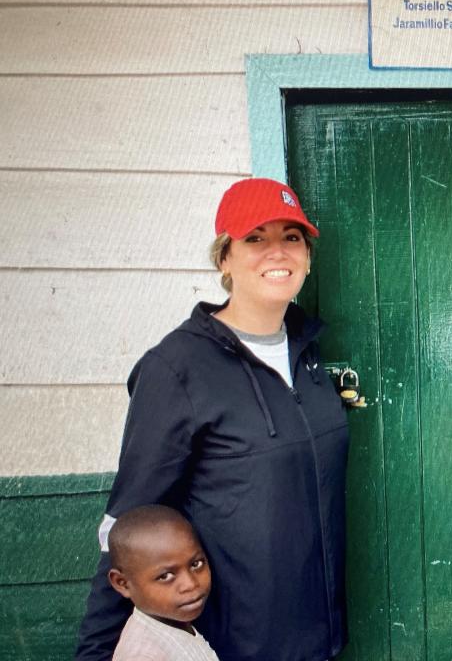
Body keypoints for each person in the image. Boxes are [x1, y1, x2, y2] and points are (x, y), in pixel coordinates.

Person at [76, 178, 350, 661]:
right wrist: (96, 653)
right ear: (224, 258)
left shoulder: (308, 353)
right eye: (255, 238)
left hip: (316, 636)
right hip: (233, 643)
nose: (277, 252)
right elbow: (128, 522)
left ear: (307, 256)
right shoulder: (176, 368)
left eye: (291, 237)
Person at [106, 505, 219, 661]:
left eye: (196, 564)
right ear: (123, 583)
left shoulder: (175, 623)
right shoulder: (142, 656)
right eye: (166, 576)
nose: (191, 584)